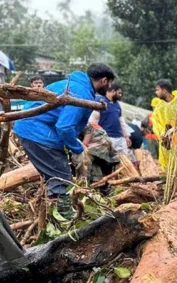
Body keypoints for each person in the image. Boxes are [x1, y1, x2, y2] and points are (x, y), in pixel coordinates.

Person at [13, 64, 116, 219]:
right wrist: (77, 149)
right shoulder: (81, 92)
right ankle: (64, 222)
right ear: (104, 80)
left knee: (57, 177)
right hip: (36, 132)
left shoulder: (74, 85)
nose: (109, 87)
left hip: (33, 128)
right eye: (109, 83)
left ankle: (54, 217)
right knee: (61, 179)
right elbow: (65, 127)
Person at [89, 83, 136, 164]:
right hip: (106, 138)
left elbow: (121, 121)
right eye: (119, 93)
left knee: (123, 160)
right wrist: (96, 136)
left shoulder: (117, 105)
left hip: (119, 138)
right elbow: (93, 121)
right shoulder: (100, 101)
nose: (120, 95)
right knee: (106, 161)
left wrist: (127, 136)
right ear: (113, 91)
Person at [81, 123, 119, 195]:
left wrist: (82, 147)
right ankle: (102, 188)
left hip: (97, 146)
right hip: (105, 147)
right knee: (97, 166)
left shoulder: (83, 123)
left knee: (87, 163)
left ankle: (88, 186)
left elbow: (84, 144)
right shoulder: (87, 122)